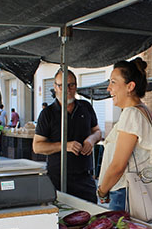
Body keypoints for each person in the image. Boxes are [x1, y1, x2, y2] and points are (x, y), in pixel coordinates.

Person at [97, 58, 152, 210]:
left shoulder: (131, 114)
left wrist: (102, 191)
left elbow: (118, 165)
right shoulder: (143, 111)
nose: (108, 88)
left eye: (113, 82)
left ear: (130, 86)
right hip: (136, 192)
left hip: (125, 194)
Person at [33, 69, 101, 203]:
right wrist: (65, 146)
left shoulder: (86, 107)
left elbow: (97, 131)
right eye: (62, 86)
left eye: (71, 85)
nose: (67, 90)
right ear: (55, 87)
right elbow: (37, 147)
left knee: (91, 213)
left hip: (84, 177)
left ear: (76, 86)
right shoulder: (47, 114)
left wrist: (91, 139)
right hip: (57, 179)